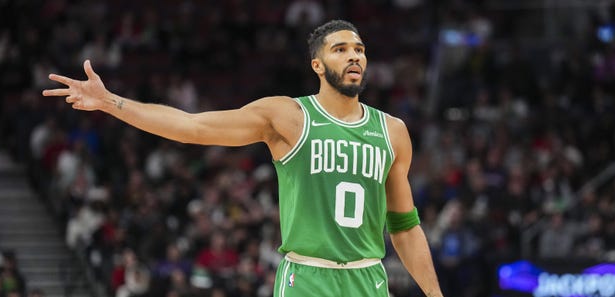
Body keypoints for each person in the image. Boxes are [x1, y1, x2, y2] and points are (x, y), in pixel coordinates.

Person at [43, 20, 443, 297]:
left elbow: (405, 228)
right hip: (306, 278)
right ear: (317, 65)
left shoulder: (392, 131)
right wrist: (112, 103)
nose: (354, 56)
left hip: (368, 279)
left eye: (359, 49)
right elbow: (192, 126)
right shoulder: (287, 116)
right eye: (340, 49)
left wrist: (434, 292)